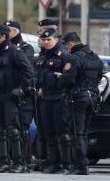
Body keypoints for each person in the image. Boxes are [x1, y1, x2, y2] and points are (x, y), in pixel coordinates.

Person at [0, 25, 34, 173]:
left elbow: (29, 72)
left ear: (3, 36)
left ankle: (18, 162)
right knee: (0, 131)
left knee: (13, 130)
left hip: (11, 96)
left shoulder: (14, 52)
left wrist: (21, 88)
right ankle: (3, 161)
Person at [34, 28, 73, 174]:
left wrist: (61, 78)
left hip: (60, 98)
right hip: (45, 98)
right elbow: (37, 75)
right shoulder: (42, 56)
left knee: (62, 132)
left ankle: (67, 164)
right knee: (48, 132)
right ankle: (54, 162)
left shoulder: (64, 55)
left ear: (56, 40)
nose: (45, 42)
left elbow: (70, 78)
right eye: (43, 40)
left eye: (48, 39)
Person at [62, 32, 102, 175]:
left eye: (66, 46)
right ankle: (83, 164)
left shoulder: (74, 58)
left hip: (78, 98)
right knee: (84, 133)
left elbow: (68, 79)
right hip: (92, 98)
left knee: (77, 133)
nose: (66, 49)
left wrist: (61, 78)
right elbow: (100, 76)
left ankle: (80, 166)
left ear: (70, 44)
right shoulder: (95, 57)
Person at [5, 19, 37, 171]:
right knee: (11, 128)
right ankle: (13, 159)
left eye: (9, 30)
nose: (7, 33)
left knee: (23, 128)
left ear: (16, 31)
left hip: (23, 94)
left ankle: (25, 159)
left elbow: (26, 69)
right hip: (8, 94)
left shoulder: (25, 48)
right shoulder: (3, 48)